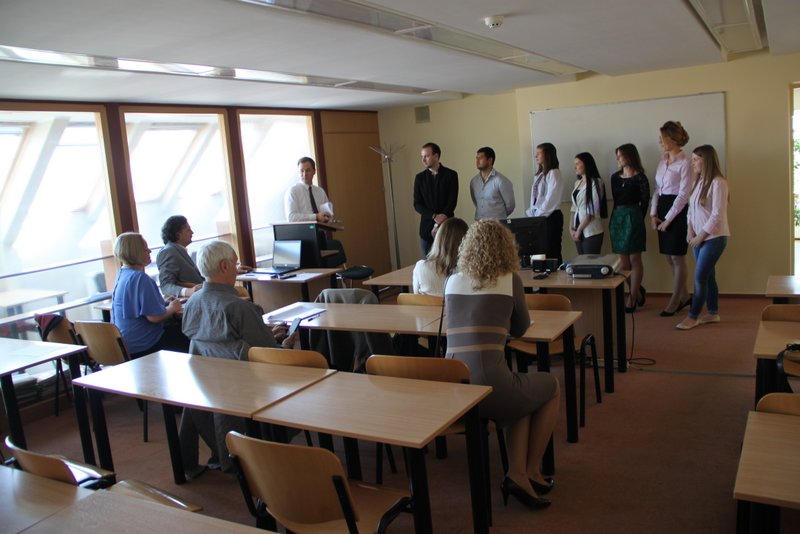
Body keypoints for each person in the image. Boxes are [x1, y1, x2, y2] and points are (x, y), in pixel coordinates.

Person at [445, 219, 560, 510]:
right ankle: (530, 470)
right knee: (550, 387)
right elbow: (520, 329)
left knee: (519, 393)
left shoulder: (452, 282)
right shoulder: (510, 279)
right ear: (507, 247)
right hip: (488, 384)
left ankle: (517, 474)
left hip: (454, 387)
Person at [179, 240, 297, 477]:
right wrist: (284, 344)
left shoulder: (192, 303)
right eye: (235, 263)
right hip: (250, 383)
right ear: (224, 266)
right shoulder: (239, 308)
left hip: (210, 382)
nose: (237, 268)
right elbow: (268, 355)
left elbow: (215, 342)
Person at [677, 145, 730, 330]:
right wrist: (689, 230)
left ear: (705, 160)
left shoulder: (718, 183)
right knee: (708, 276)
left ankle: (693, 316)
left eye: (695, 160)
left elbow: (717, 214)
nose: (692, 163)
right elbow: (691, 210)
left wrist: (701, 236)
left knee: (700, 277)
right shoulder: (698, 182)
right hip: (698, 237)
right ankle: (713, 313)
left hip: (714, 238)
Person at [111, 232, 189, 358]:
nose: (149, 252)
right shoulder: (140, 278)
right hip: (144, 344)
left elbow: (136, 304)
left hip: (125, 344)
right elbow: (154, 317)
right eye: (145, 249)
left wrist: (162, 302)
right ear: (136, 253)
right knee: (188, 335)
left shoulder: (122, 274)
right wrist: (173, 307)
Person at [650, 121, 692, 316]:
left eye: (663, 138)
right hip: (663, 207)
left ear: (673, 139)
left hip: (678, 210)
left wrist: (668, 219)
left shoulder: (685, 163)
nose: (660, 141)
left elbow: (683, 195)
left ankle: (675, 300)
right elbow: (658, 190)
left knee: (677, 256)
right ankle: (684, 296)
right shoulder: (662, 161)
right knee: (669, 256)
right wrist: (654, 214)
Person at [610, 144, 650, 313]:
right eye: (617, 155)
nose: (618, 158)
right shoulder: (614, 177)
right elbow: (616, 200)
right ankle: (638, 292)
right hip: (618, 218)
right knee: (623, 262)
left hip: (634, 218)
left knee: (635, 259)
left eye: (620, 155)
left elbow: (645, 203)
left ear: (629, 156)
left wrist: (636, 219)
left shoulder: (641, 178)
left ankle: (632, 297)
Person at [413, 142, 459, 256]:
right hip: (426, 229)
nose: (423, 160)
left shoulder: (451, 175)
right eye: (422, 156)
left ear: (436, 156)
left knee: (449, 261)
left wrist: (441, 218)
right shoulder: (419, 178)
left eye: (426, 156)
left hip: (447, 227)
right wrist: (434, 216)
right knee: (427, 263)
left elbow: (452, 201)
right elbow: (417, 204)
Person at [526, 142, 564, 266]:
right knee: (541, 252)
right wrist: (532, 213)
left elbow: (551, 199)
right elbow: (535, 198)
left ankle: (555, 277)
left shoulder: (554, 173)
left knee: (552, 251)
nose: (536, 156)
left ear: (547, 155)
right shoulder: (539, 175)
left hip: (550, 216)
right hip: (539, 217)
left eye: (539, 153)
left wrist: (538, 214)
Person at [412, 217, 469, 296]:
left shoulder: (421, 267)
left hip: (429, 304)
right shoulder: (471, 272)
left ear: (438, 238)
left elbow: (416, 297)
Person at [157, 215, 204, 298]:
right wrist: (187, 291)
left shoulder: (178, 250)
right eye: (188, 230)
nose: (192, 232)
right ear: (178, 235)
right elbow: (166, 286)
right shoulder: (168, 252)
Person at [569, 152, 605, 255]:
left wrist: (579, 230)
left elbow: (592, 210)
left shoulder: (596, 182)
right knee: (581, 261)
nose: (575, 167)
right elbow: (574, 207)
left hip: (591, 230)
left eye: (577, 164)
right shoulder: (577, 183)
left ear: (586, 164)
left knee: (590, 261)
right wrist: (571, 228)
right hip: (577, 228)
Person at [469, 147, 515, 220]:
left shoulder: (501, 180)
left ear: (490, 160)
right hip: (480, 223)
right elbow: (476, 203)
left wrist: (499, 216)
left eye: (481, 158)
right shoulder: (474, 182)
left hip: (497, 224)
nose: (477, 161)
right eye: (476, 158)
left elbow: (510, 205)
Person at [285, 157, 332, 223]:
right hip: (302, 229)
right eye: (302, 171)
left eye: (308, 170)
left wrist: (327, 217)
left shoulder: (320, 192)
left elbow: (327, 215)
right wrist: (316, 217)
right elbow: (291, 217)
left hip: (321, 228)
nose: (304, 174)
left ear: (314, 171)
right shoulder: (292, 191)